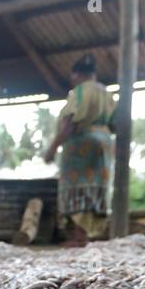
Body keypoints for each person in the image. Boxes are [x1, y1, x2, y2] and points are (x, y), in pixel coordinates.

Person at [43, 54, 116, 242]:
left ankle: (79, 237)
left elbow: (71, 123)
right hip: (104, 143)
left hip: (81, 143)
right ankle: (88, 238)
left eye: (72, 76)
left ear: (76, 75)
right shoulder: (107, 94)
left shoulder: (79, 91)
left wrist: (52, 148)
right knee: (94, 189)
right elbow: (116, 124)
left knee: (77, 188)